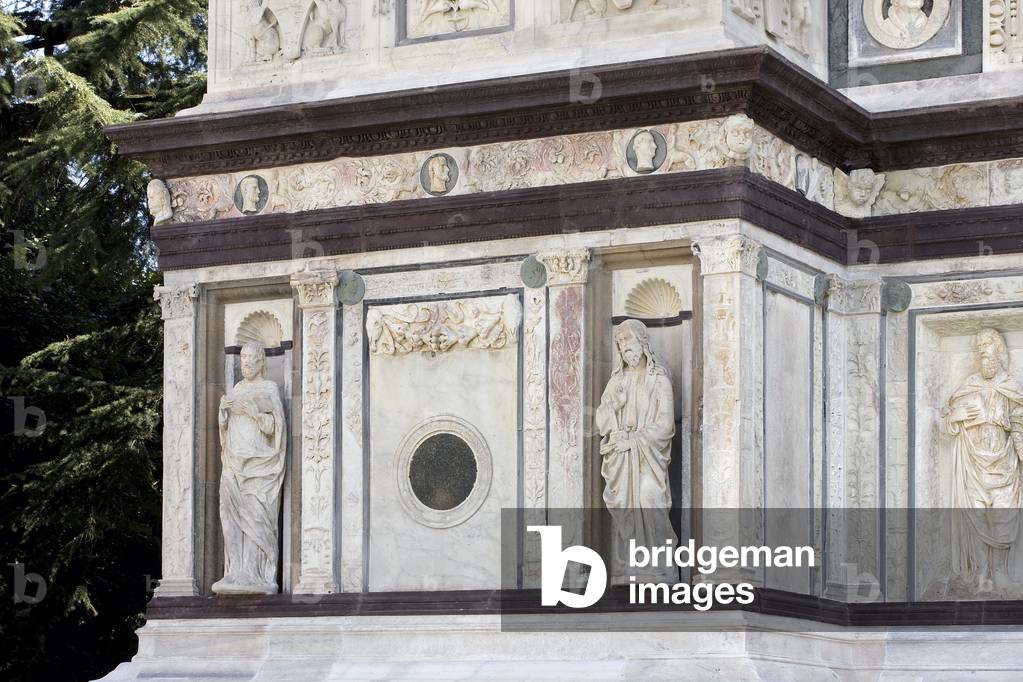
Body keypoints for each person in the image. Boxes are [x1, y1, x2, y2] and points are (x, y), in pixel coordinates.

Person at [596, 319, 678, 583]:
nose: (624, 349)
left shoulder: (659, 380)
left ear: (643, 343)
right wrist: (614, 408)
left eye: (628, 342)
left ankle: (660, 567)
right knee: (625, 508)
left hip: (647, 458)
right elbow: (601, 420)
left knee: (649, 497)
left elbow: (665, 424)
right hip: (621, 460)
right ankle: (629, 566)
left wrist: (633, 441)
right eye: (620, 344)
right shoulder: (616, 381)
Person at [943, 329, 1023, 586]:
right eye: (981, 355)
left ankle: (999, 572)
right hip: (973, 464)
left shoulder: (1010, 388)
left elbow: (1020, 423)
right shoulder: (969, 385)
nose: (985, 360)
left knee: (1002, 517)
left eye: (990, 354)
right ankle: (980, 574)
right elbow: (949, 419)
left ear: (1000, 355)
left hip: (1004, 464)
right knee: (975, 518)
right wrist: (954, 419)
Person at [212, 342, 287, 595]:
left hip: (260, 467)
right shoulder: (237, 388)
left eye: (251, 360)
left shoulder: (269, 388)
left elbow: (274, 429)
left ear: (262, 362)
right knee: (229, 514)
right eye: (243, 360)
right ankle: (234, 572)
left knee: (256, 517)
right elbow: (225, 427)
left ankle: (255, 575)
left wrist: (254, 412)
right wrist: (223, 413)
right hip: (233, 462)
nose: (245, 365)